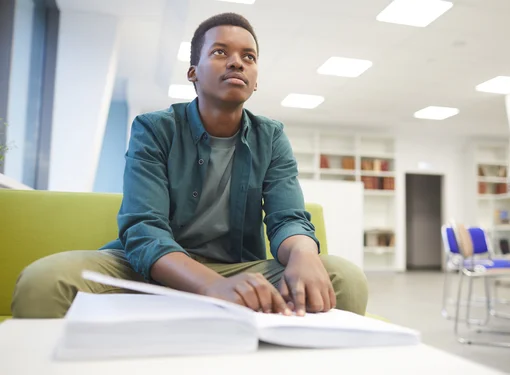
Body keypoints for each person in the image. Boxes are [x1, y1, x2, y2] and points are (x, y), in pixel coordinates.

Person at [12, 13, 368, 318]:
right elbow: (143, 230)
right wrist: (212, 286)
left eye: (249, 56)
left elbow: (287, 217)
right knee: (45, 281)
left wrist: (304, 253)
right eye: (220, 52)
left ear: (255, 80)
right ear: (193, 73)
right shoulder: (154, 128)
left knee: (343, 277)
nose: (236, 62)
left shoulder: (271, 137)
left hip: (237, 268)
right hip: (154, 268)